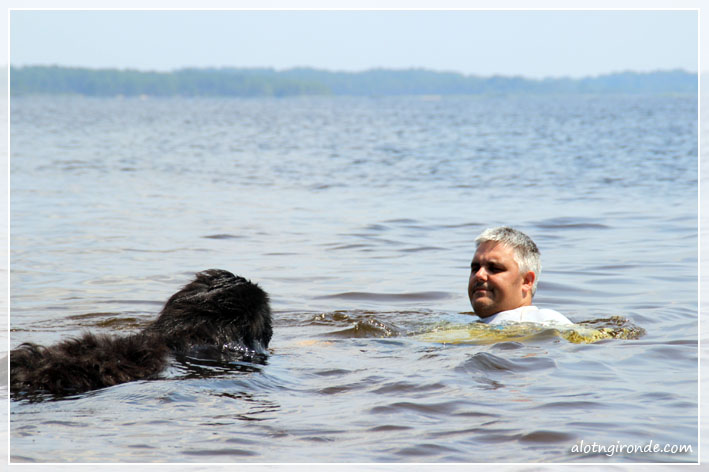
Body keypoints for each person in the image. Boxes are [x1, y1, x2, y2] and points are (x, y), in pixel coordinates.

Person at [468, 226, 573, 325]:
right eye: (475, 268)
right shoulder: (475, 322)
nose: (479, 275)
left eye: (495, 269)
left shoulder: (543, 319)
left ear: (527, 281)